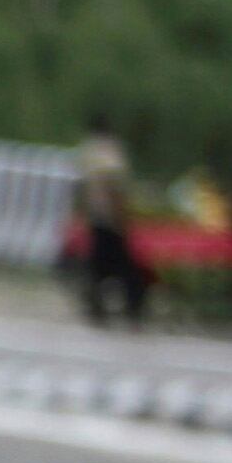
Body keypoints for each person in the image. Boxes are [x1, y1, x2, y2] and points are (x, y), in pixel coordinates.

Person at [70, 116, 150, 329]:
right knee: (125, 268)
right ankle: (131, 309)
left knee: (98, 268)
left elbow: (82, 186)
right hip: (110, 219)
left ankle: (98, 307)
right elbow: (113, 185)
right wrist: (122, 215)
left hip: (96, 216)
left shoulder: (88, 151)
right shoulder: (109, 152)